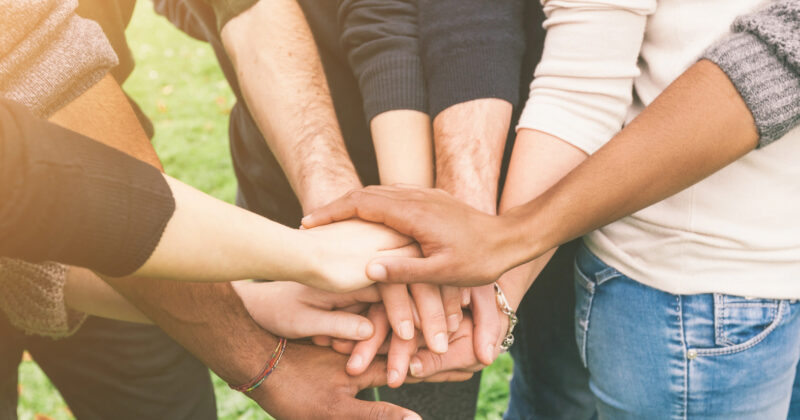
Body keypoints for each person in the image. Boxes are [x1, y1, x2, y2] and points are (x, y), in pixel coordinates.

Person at [302, 1, 800, 417]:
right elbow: (580, 81)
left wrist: (499, 252)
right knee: (553, 396)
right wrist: (493, 269)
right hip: (709, 291)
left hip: (743, 258)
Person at [152, 0, 540, 416]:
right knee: (315, 388)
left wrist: (421, 210)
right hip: (292, 167)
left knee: (437, 384)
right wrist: (371, 204)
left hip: (473, 140)